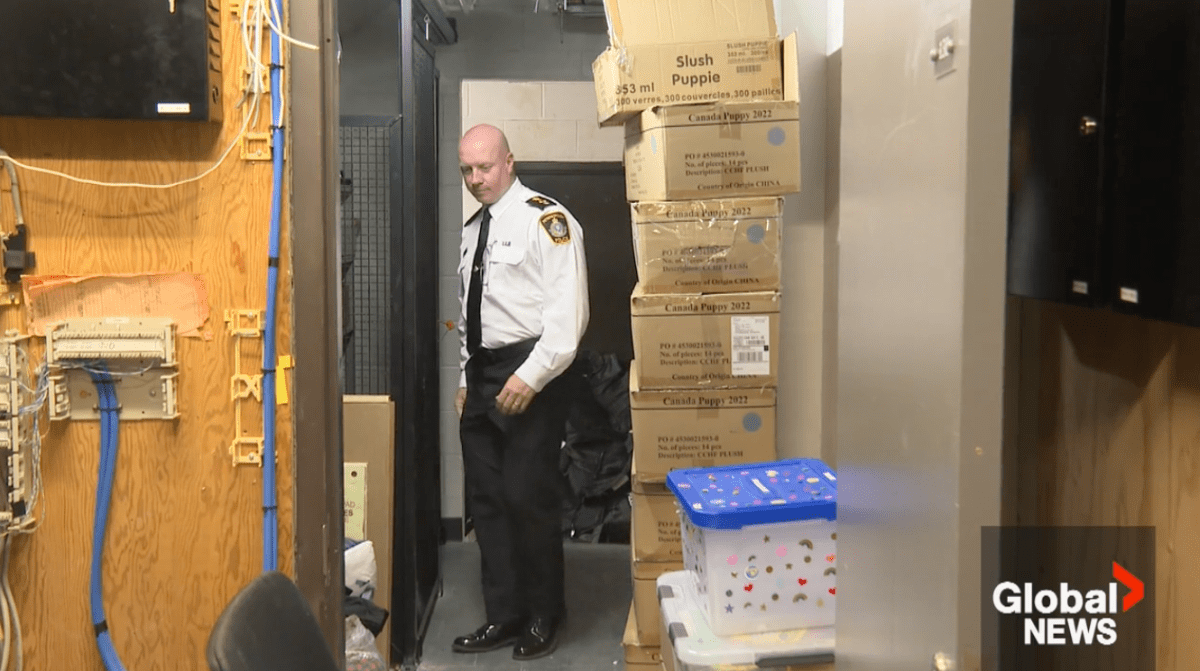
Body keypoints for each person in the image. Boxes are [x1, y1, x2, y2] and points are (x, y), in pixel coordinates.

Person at [451, 124, 589, 661]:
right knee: (487, 503)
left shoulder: (546, 221)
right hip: (484, 374)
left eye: (484, 167)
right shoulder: (471, 230)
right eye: (466, 169)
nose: (475, 178)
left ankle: (542, 615)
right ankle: (503, 616)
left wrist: (529, 378)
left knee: (526, 499)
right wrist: (466, 379)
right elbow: (470, 317)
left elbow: (568, 318)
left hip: (533, 372)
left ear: (509, 161)